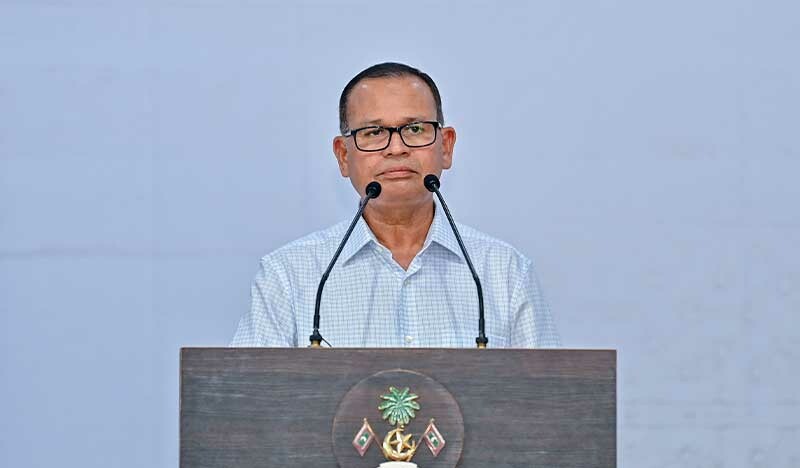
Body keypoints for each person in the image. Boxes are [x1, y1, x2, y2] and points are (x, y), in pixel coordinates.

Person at [231, 62, 560, 348]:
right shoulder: (289, 276)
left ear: (446, 147)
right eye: (374, 132)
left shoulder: (503, 273)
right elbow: (248, 395)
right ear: (343, 156)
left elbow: (548, 395)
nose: (396, 148)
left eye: (415, 129)